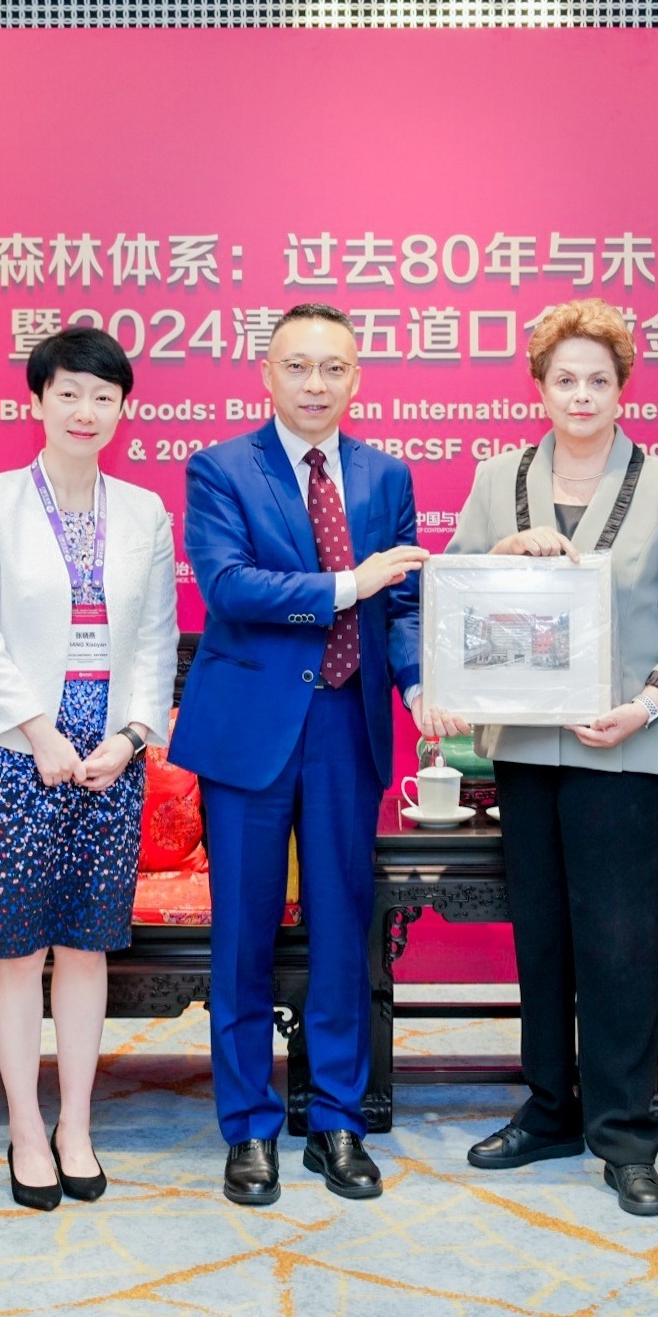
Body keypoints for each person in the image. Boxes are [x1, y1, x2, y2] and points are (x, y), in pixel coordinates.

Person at [419, 300, 658, 1217]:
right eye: (564, 379)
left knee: (618, 947)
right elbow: (454, 596)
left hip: (623, 753)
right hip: (524, 748)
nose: (581, 394)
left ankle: (624, 1134)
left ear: (622, 388)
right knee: (543, 940)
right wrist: (501, 551)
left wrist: (646, 707)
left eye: (598, 379)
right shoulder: (496, 480)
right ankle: (550, 1107)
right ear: (539, 387)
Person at [170, 303, 425, 1207]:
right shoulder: (220, 468)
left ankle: (337, 1121)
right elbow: (230, 586)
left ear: (356, 378)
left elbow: (402, 607)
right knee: (242, 934)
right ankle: (248, 1125)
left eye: (333, 368)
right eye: (297, 366)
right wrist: (348, 584)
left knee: (342, 930)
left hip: (347, 729)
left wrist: (417, 682)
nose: (315, 384)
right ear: (266, 374)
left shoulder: (385, 475)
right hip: (251, 731)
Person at [0, 328, 179, 1211]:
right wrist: (39, 732)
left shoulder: (144, 512)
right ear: (37, 400)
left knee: (85, 946)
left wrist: (132, 735)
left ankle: (75, 1123)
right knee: (15, 951)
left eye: (103, 396)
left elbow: (155, 638)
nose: (85, 410)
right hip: (10, 746)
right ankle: (23, 1126)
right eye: (68, 392)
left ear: (122, 409)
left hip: (106, 750)